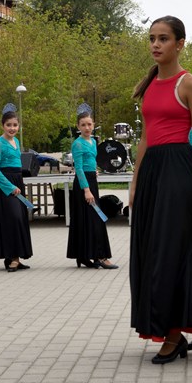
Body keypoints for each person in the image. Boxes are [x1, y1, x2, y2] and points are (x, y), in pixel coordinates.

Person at [127, 16, 192, 364]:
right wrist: (135, 182)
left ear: (180, 43)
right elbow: (144, 138)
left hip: (179, 172)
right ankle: (186, 323)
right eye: (152, 38)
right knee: (153, 250)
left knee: (171, 250)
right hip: (153, 171)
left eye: (163, 39)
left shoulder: (190, 85)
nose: (155, 45)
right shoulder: (149, 85)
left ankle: (173, 335)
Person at [0, 105, 34, 272]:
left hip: (17, 182)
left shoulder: (16, 141)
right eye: (9, 125)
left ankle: (16, 258)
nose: (12, 128)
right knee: (12, 218)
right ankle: (11, 257)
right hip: (5, 185)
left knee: (20, 219)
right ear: (2, 125)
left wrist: (18, 183)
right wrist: (10, 186)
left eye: (15, 125)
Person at [67, 104, 115, 269]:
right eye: (83, 125)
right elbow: (78, 168)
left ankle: (85, 255)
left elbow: (90, 161)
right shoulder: (78, 144)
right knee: (93, 219)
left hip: (91, 181)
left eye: (89, 124)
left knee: (90, 219)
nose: (87, 127)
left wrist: (94, 170)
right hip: (83, 184)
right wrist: (86, 190)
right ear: (78, 127)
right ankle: (100, 256)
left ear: (93, 124)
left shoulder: (93, 142)